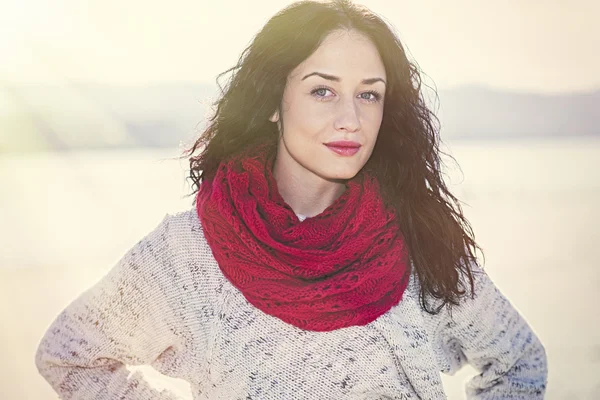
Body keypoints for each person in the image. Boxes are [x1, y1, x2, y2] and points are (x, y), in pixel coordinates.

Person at [34, 0, 548, 399]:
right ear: (273, 103)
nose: (351, 117)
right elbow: (70, 356)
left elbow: (519, 362)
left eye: (369, 94)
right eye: (322, 90)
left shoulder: (416, 237)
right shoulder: (187, 254)